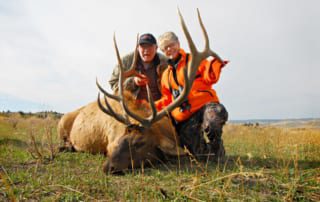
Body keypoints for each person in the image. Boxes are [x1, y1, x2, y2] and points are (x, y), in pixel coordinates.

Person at [155, 32, 229, 160]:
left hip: (205, 106)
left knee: (212, 120)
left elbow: (208, 74)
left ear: (178, 43)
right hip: (187, 115)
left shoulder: (194, 60)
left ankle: (218, 149)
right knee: (196, 152)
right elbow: (167, 99)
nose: (169, 49)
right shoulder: (166, 75)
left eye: (171, 44)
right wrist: (151, 107)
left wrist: (216, 65)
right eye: (165, 48)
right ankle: (209, 155)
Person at [109, 33, 167, 102]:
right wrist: (133, 82)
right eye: (143, 46)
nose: (146, 50)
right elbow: (114, 85)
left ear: (156, 48)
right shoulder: (125, 61)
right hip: (132, 108)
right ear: (138, 48)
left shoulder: (165, 62)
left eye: (149, 46)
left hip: (160, 107)